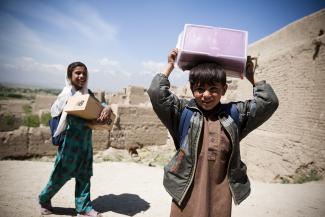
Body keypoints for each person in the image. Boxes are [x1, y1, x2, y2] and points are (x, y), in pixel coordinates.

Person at [147, 48, 279, 217]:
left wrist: (250, 75)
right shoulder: (182, 112)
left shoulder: (234, 114)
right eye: (200, 89)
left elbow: (269, 101)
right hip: (186, 191)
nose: (206, 95)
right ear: (192, 89)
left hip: (219, 194)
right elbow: (156, 92)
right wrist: (170, 66)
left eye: (213, 89)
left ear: (224, 89)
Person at [38, 62, 111, 217]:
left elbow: (97, 105)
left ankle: (83, 207)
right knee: (59, 176)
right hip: (69, 144)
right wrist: (91, 121)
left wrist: (106, 108)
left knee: (84, 176)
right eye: (77, 73)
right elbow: (73, 119)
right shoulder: (66, 96)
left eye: (84, 73)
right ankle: (44, 199)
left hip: (85, 143)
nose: (82, 76)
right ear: (70, 76)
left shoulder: (87, 93)